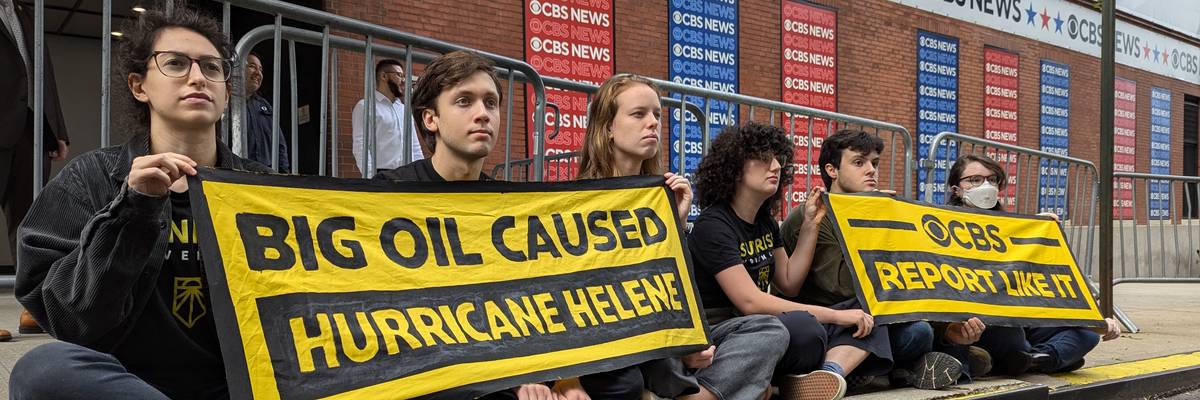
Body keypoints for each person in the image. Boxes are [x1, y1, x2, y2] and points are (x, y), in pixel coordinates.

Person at [9, 8, 272, 399]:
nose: (198, 77)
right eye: (176, 64)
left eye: (213, 68)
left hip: (241, 385)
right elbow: (69, 316)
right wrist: (134, 209)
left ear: (226, 90)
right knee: (42, 371)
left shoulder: (262, 187)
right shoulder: (89, 179)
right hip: (132, 385)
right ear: (139, 86)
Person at [375, 50, 584, 400]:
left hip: (496, 378)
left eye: (491, 102)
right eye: (463, 101)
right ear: (431, 120)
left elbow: (535, 301)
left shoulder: (512, 208)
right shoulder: (386, 195)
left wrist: (541, 377)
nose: (482, 114)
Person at [573, 74, 786, 400]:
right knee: (626, 379)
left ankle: (701, 394)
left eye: (657, 115)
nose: (653, 124)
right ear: (608, 127)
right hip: (615, 335)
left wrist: (677, 222)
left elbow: (672, 287)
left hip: (664, 338)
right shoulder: (576, 200)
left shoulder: (663, 195)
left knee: (768, 330)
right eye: (638, 114)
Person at [689, 123, 899, 400]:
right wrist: (836, 316)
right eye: (765, 159)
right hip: (722, 331)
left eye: (779, 159)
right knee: (798, 329)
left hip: (757, 327)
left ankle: (819, 375)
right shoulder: (713, 225)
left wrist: (811, 223)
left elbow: (789, 283)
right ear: (735, 167)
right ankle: (745, 385)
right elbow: (750, 302)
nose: (776, 166)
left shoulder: (764, 222)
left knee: (865, 314)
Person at [779, 129, 963, 390]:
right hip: (825, 320)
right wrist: (872, 224)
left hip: (868, 320)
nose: (871, 171)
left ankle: (876, 373)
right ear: (832, 170)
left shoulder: (878, 210)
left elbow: (911, 278)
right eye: (858, 162)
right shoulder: (811, 215)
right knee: (873, 307)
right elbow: (840, 285)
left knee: (920, 332)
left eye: (874, 163)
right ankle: (847, 373)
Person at [944, 154, 1121, 375]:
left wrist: (1036, 230)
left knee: (1087, 335)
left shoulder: (1016, 226)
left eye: (992, 179)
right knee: (1012, 335)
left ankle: (1031, 360)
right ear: (956, 189)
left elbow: (1048, 281)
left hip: (1025, 315)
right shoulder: (943, 228)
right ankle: (1048, 358)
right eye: (975, 180)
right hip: (984, 321)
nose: (986, 186)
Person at [1, 0, 70, 340]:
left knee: (30, 218)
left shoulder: (29, 10)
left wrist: (57, 128)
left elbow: (43, 71)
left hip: (30, 126)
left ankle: (31, 305)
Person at [354, 58, 424, 177]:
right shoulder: (365, 106)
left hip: (408, 174)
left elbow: (414, 145)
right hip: (382, 174)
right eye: (399, 75)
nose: (403, 81)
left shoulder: (404, 109)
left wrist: (420, 174)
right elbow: (361, 146)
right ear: (384, 76)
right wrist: (371, 177)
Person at [243, 51, 290, 172]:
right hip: (236, 176)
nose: (258, 73)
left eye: (261, 69)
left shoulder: (265, 106)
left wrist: (284, 174)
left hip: (266, 176)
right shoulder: (225, 103)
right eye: (252, 66)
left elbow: (280, 144)